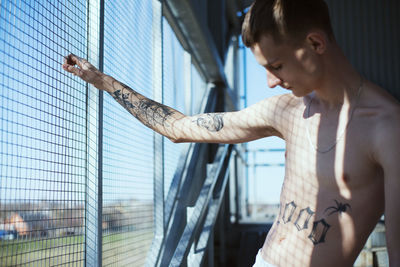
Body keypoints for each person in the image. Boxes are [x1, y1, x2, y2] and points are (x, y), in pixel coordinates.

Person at [62, 0, 400, 265]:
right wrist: (102, 82)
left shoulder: (386, 128)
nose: (269, 81)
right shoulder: (285, 110)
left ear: (314, 43)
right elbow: (177, 128)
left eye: (276, 66)